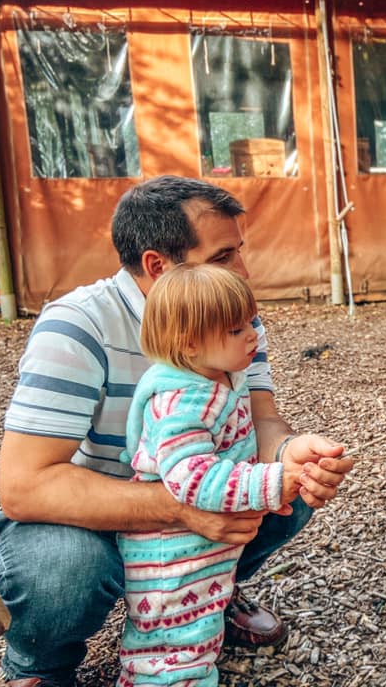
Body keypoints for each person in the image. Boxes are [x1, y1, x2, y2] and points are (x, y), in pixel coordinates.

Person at [0, 176, 355, 687]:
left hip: (194, 490)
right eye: (224, 256)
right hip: (88, 514)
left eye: (239, 252)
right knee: (64, 566)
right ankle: (39, 666)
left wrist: (292, 453)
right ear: (159, 266)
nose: (243, 272)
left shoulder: (228, 316)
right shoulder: (78, 326)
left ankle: (207, 597)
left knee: (288, 494)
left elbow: (262, 418)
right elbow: (24, 487)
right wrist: (183, 507)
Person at [117, 264, 310, 686]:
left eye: (250, 323)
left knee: (198, 628)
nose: (253, 335)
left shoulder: (218, 377)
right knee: (173, 644)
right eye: (236, 330)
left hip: (200, 547)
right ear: (189, 343)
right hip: (171, 554)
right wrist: (271, 482)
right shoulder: (184, 401)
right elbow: (192, 478)